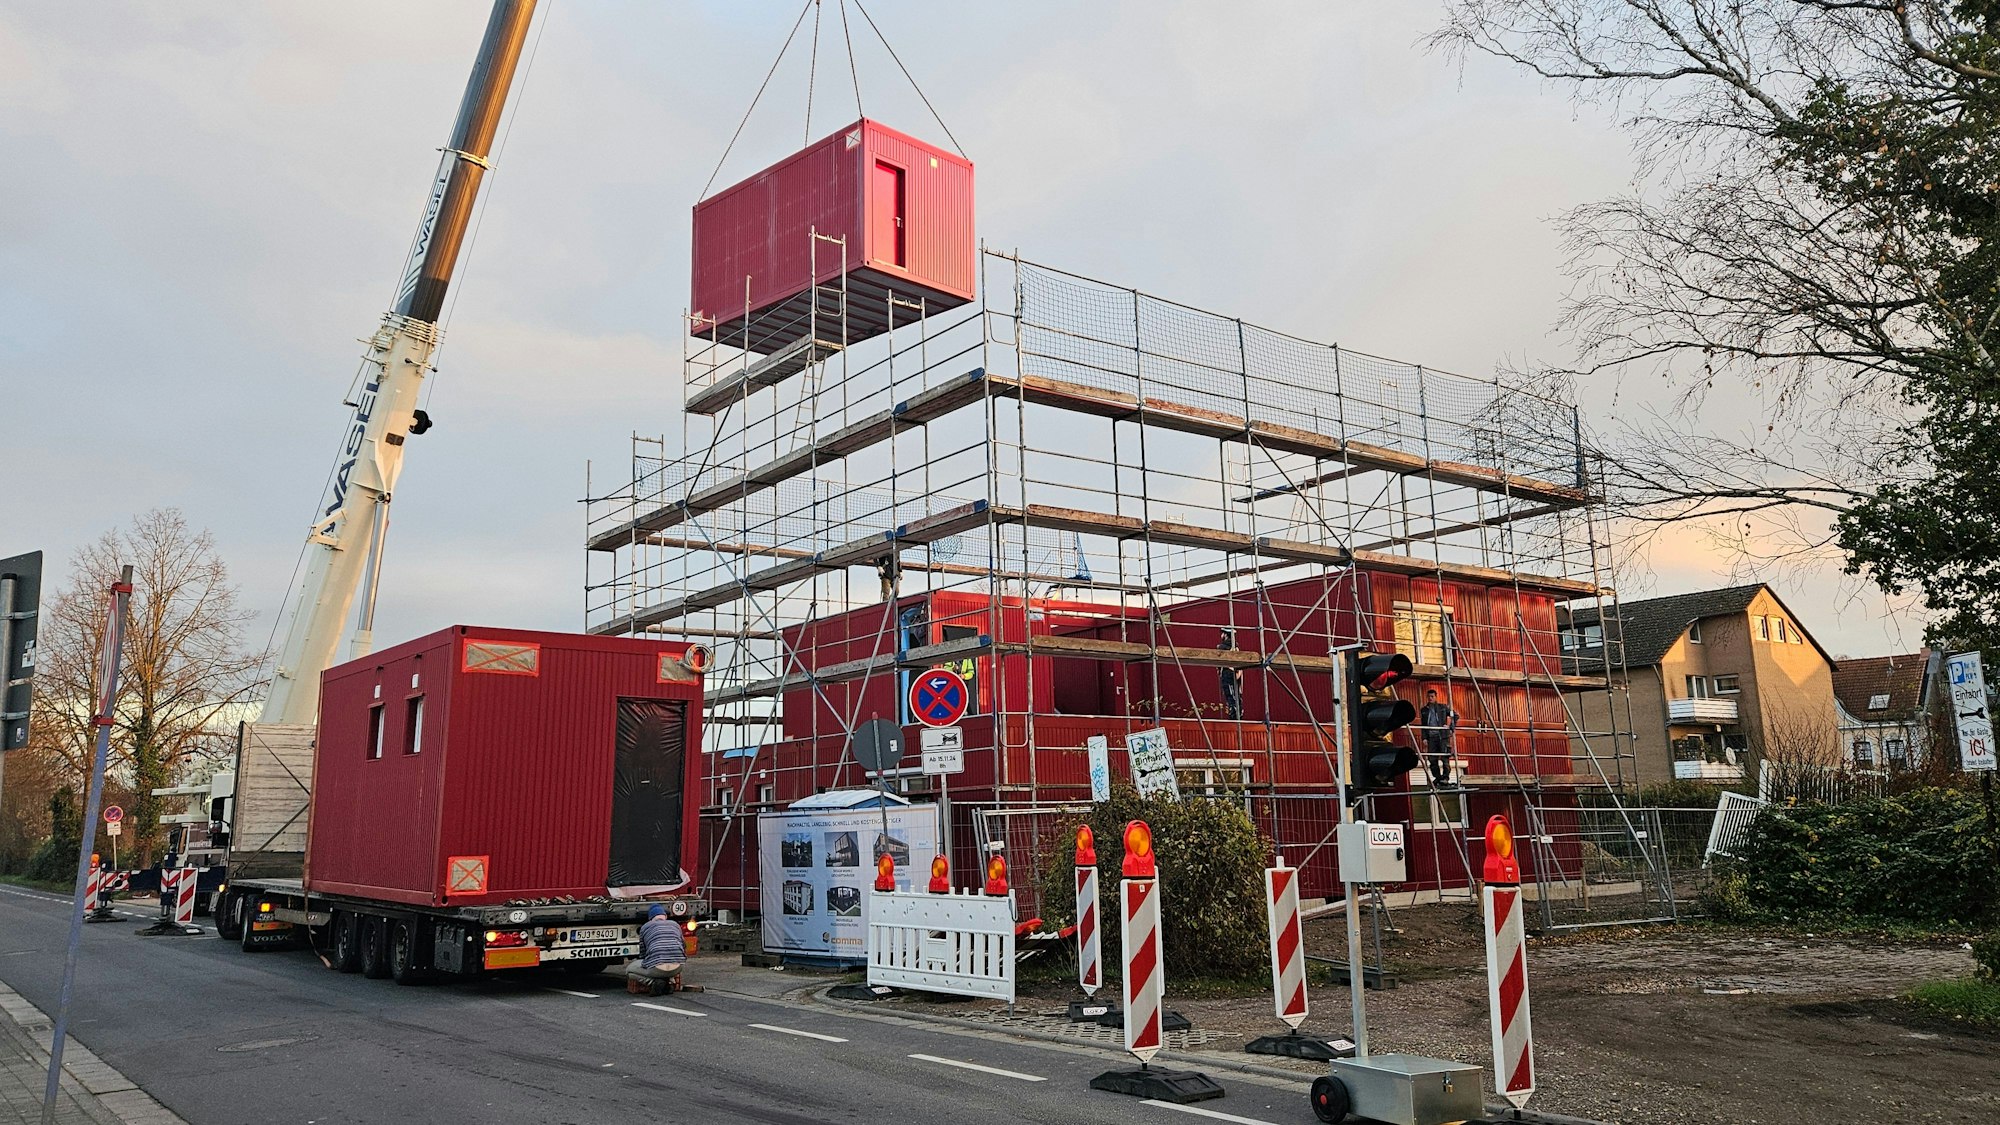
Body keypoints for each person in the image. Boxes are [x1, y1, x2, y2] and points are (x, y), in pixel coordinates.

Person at [629, 904, 686, 991]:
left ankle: (653, 982)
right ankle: (670, 982)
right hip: (677, 967)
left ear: (650, 919)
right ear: (665, 916)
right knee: (670, 958)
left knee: (629, 970)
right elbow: (683, 945)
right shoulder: (675, 925)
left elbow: (643, 953)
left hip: (656, 968)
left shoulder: (645, 927)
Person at [1419, 688, 1458, 786]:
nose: (1430, 698)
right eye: (1429, 696)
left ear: (1436, 697)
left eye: (1432, 696)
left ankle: (1445, 777)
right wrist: (1424, 738)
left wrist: (1450, 726)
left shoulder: (1443, 707)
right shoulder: (1424, 710)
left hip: (1442, 737)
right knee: (1432, 759)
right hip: (1431, 737)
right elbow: (1423, 725)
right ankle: (1437, 777)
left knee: (1445, 757)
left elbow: (1455, 715)